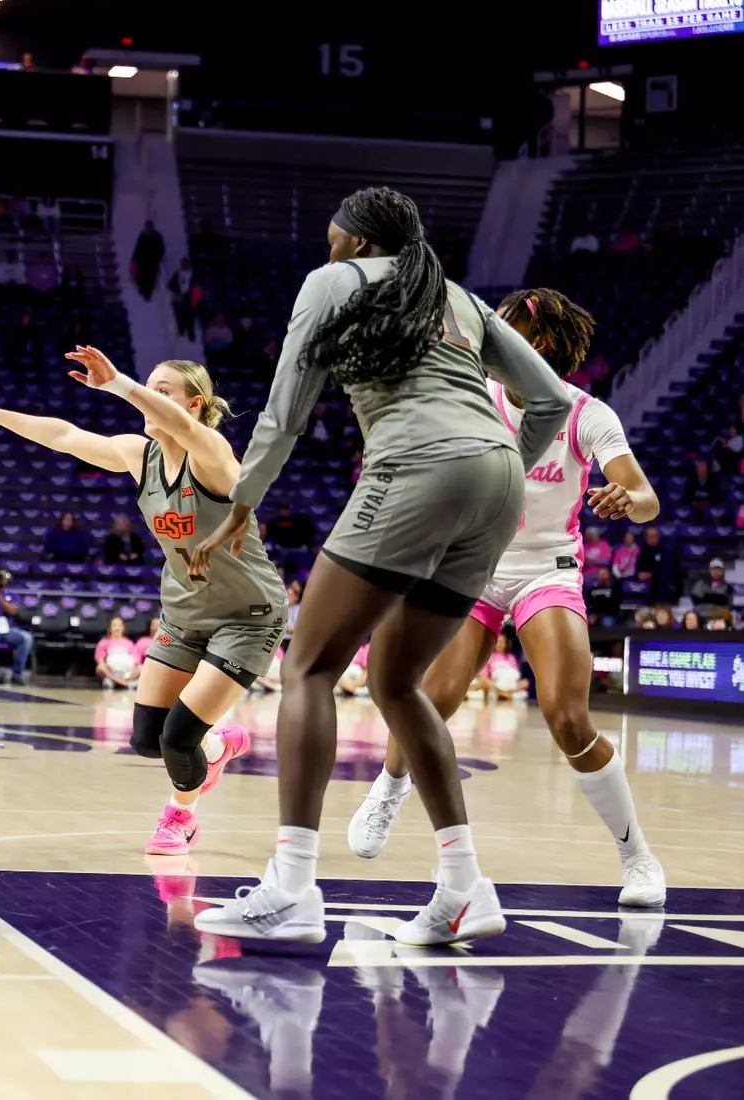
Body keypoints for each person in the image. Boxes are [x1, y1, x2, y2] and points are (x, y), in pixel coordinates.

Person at [190, 188, 572, 946]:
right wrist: (495, 468)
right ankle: (465, 887)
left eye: (333, 240)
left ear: (360, 241)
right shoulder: (457, 298)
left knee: (308, 668)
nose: (326, 252)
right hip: (499, 484)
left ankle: (293, 887)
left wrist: (240, 501)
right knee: (396, 682)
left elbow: (284, 410)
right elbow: (553, 401)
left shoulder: (331, 282)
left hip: (418, 469)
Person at [0, 347, 274, 856]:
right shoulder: (137, 454)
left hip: (246, 615)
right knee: (148, 739)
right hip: (185, 612)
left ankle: (180, 818)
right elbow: (64, 437)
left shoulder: (212, 453)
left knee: (177, 738)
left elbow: (188, 432)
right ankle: (218, 747)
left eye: (161, 392)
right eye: (146, 388)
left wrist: (119, 382)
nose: (146, 399)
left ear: (193, 406)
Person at [477, 632, 529, 701]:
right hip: (496, 683)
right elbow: (483, 677)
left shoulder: (511, 657)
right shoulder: (488, 656)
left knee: (526, 682)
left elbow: (516, 675)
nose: (500, 644)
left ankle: (505, 694)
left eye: (502, 642)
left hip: (510, 684)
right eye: (498, 642)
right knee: (484, 682)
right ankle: (503, 694)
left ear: (506, 644)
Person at [95, 617, 142, 689]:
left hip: (128, 673)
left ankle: (119, 682)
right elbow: (100, 661)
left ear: (123, 628)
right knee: (100, 668)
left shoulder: (129, 643)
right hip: (111, 673)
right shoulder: (104, 642)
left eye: (119, 626)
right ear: (110, 628)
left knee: (142, 668)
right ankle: (124, 684)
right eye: (114, 625)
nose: (117, 628)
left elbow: (137, 662)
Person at [130, 220, 165, 301]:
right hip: (143, 262)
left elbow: (161, 249)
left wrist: (157, 258)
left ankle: (148, 293)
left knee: (151, 278)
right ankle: (143, 291)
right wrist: (135, 258)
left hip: (153, 262)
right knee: (141, 277)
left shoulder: (157, 236)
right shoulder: (142, 235)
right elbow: (138, 248)